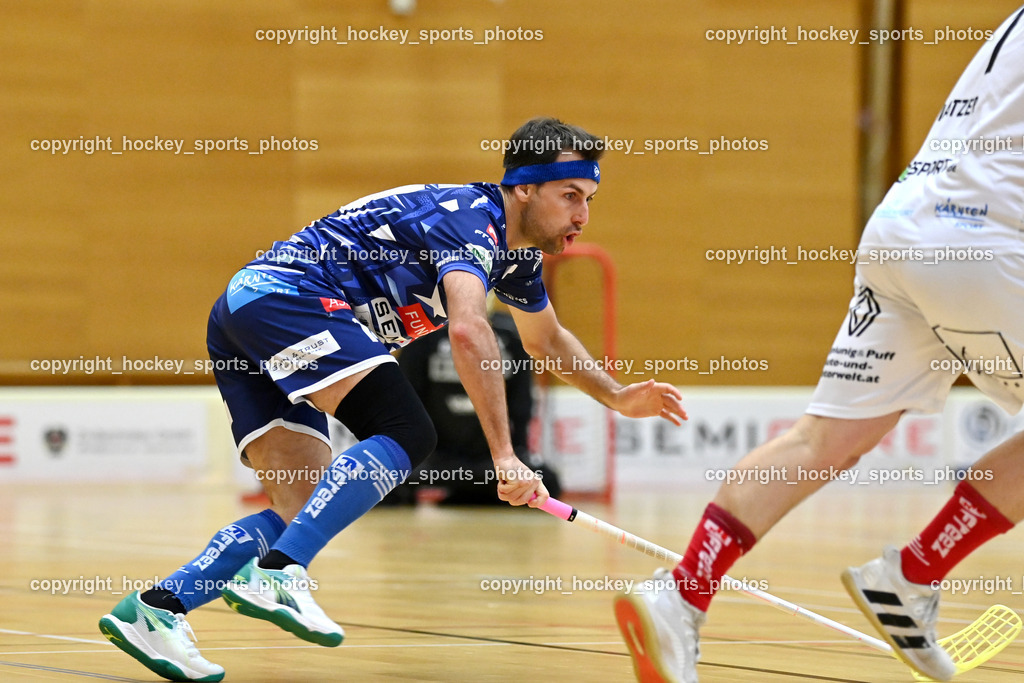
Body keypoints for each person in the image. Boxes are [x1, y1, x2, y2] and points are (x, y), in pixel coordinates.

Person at [98, 116, 688, 682]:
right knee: (408, 431)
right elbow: (468, 329)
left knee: (300, 502)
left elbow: (546, 338)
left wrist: (615, 395)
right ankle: (278, 574)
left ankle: (156, 609)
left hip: (247, 310)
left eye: (589, 199)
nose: (582, 215)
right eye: (570, 195)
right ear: (523, 188)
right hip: (291, 299)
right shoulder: (469, 220)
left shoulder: (516, 256)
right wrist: (505, 455)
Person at [614, 9, 1024, 683]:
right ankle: (914, 572)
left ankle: (682, 592)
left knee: (820, 439)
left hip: (906, 223)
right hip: (986, 239)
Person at [388, 304, 562, 505]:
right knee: (384, 480)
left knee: (547, 482)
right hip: (438, 460)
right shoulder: (424, 335)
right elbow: (409, 396)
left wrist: (518, 453)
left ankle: (466, 494)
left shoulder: (510, 334)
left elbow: (521, 403)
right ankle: (473, 493)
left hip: (491, 462)